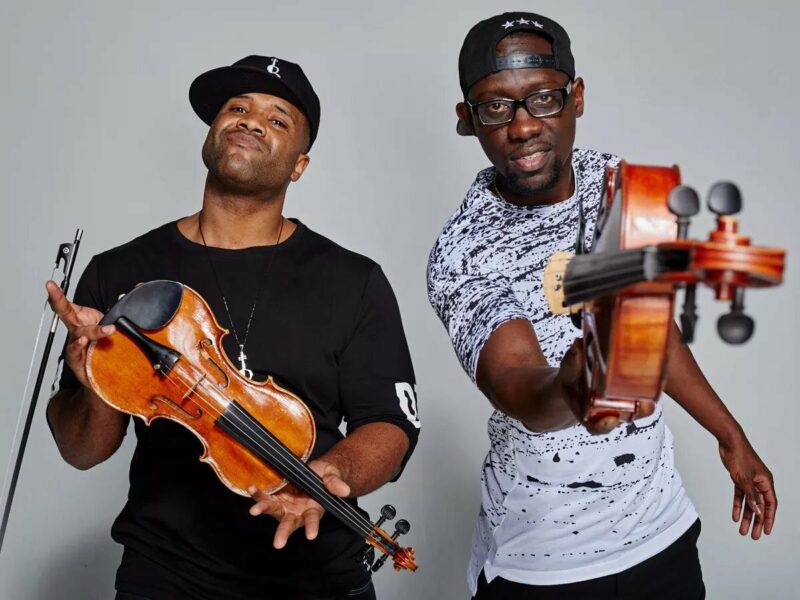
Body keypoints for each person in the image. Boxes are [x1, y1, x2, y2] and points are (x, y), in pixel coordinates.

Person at [426, 13, 776, 600]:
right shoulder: (463, 250)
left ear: (577, 97)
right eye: (496, 108)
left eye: (543, 99)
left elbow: (651, 333)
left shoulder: (619, 185)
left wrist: (730, 436)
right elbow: (513, 382)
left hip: (661, 533)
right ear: (467, 120)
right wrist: (575, 382)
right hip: (541, 563)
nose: (522, 128)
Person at [46, 55, 420, 600]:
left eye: (277, 119)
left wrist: (329, 473)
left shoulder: (353, 280)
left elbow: (391, 426)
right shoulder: (119, 272)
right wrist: (93, 378)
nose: (249, 120)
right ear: (211, 134)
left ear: (299, 166)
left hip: (318, 577)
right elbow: (83, 451)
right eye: (237, 108)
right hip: (165, 574)